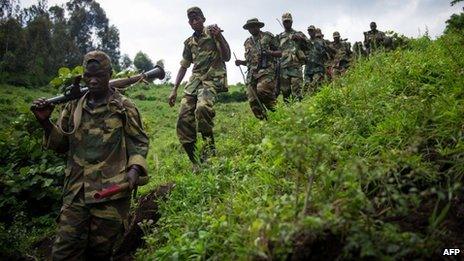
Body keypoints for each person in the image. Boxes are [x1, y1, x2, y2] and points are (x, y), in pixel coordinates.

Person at [31, 51, 149, 260]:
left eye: (100, 76)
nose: (93, 81)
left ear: (109, 74)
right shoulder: (73, 106)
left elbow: (139, 142)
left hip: (110, 195)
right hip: (76, 193)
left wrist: (134, 170)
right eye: (88, 76)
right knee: (64, 253)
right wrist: (45, 123)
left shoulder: (123, 107)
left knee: (101, 254)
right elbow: (60, 145)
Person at [168, 7, 231, 170]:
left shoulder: (213, 33)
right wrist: (174, 89)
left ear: (203, 19)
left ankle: (210, 151)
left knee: (203, 108)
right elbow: (184, 66)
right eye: (191, 20)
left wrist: (220, 37)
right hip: (194, 83)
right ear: (189, 23)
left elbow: (227, 57)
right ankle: (196, 162)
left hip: (211, 79)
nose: (195, 22)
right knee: (183, 120)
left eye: (197, 18)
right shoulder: (189, 43)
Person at [235, 18, 281, 120]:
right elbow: (249, 61)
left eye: (254, 26)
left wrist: (270, 53)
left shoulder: (268, 37)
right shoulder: (247, 42)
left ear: (259, 26)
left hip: (267, 70)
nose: (252, 28)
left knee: (263, 90)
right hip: (252, 74)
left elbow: (281, 52)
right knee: (252, 100)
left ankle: (279, 113)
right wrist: (241, 62)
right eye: (250, 27)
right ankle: (264, 121)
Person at [277, 12, 308, 102]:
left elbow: (309, 45)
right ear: (283, 23)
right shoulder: (279, 37)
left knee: (296, 89)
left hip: (296, 65)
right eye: (285, 22)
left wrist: (300, 39)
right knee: (285, 91)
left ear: (292, 22)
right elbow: (276, 50)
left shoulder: (299, 34)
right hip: (284, 67)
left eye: (288, 21)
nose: (287, 23)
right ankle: (288, 111)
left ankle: (298, 110)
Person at [304, 25, 327, 95]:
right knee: (306, 86)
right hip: (308, 68)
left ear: (315, 31)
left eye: (311, 30)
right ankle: (305, 101)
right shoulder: (306, 42)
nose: (310, 32)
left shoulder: (321, 42)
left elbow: (325, 53)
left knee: (314, 85)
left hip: (318, 68)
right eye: (309, 31)